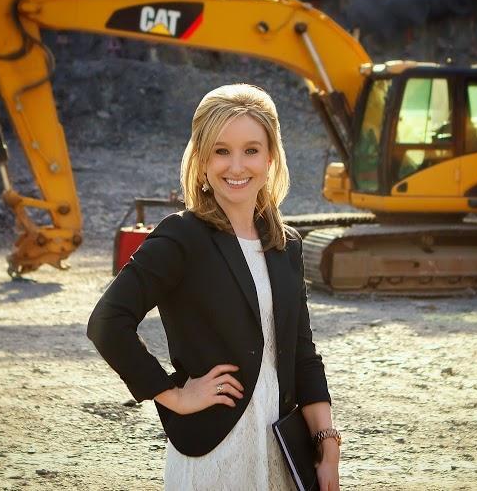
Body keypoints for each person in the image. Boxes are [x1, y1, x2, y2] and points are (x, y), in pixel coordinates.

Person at [86, 84, 341, 490]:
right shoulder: (181, 237)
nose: (236, 166)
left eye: (251, 150)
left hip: (282, 450)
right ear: (202, 159)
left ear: (270, 158)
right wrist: (174, 394)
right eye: (221, 151)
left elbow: (301, 352)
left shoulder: (285, 244)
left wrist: (326, 443)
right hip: (214, 454)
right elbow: (107, 322)